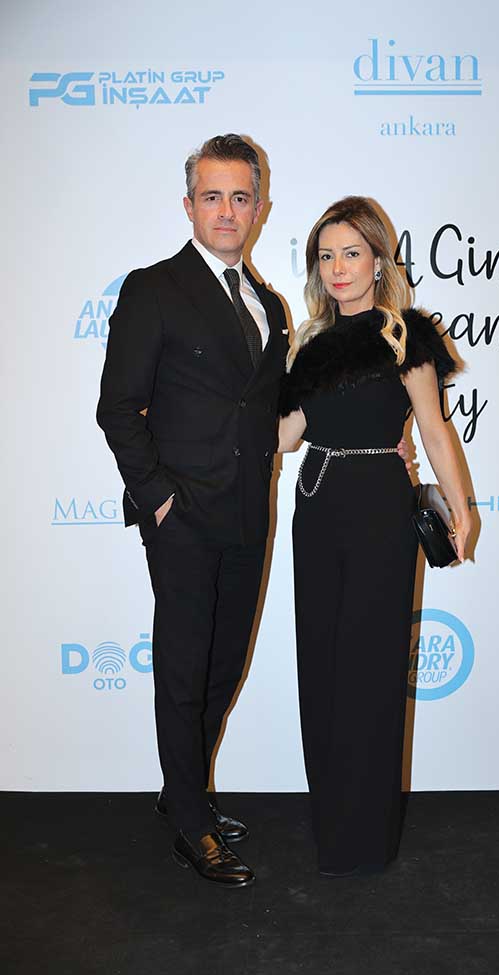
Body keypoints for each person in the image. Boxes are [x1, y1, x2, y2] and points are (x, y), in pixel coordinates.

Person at [97, 135, 289, 887]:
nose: (227, 211)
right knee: (183, 666)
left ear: (260, 208)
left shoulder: (270, 304)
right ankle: (189, 821)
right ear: (188, 206)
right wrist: (159, 499)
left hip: (247, 512)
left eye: (241, 197)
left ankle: (184, 792)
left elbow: (268, 411)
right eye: (213, 196)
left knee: (224, 663)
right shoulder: (154, 289)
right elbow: (117, 409)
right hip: (182, 516)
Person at [278, 196, 472, 877]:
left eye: (351, 253)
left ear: (378, 261)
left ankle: (366, 836)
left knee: (371, 667)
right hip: (317, 504)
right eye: (326, 256)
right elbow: (287, 435)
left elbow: (434, 429)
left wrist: (462, 509)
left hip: (380, 512)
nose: (337, 268)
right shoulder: (309, 344)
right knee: (322, 665)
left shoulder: (405, 336)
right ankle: (333, 828)